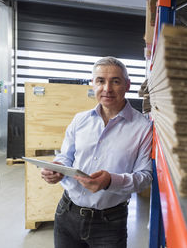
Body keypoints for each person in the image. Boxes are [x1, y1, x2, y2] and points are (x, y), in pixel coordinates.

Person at [41, 56, 153, 248]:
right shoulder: (80, 120)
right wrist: (57, 168)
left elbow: (145, 177)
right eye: (101, 81)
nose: (107, 89)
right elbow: (66, 156)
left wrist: (110, 181)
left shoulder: (143, 127)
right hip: (67, 213)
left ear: (127, 85)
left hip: (109, 222)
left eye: (115, 81)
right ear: (93, 84)